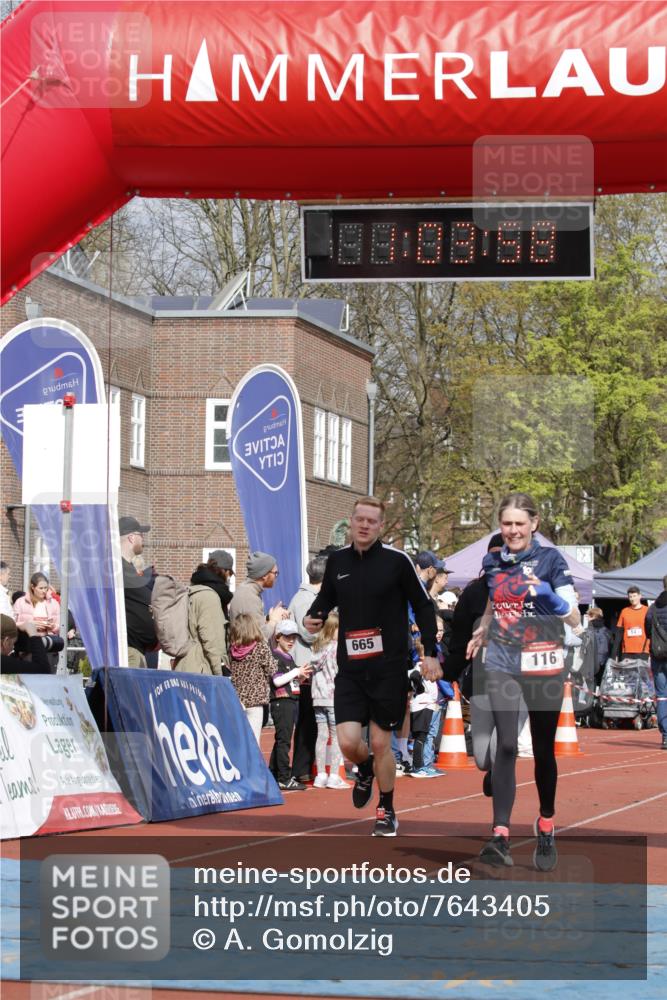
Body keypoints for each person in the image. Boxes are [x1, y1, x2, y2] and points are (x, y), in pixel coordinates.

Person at [304, 496, 439, 837]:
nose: (364, 525)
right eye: (359, 519)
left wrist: (431, 652)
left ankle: (386, 808)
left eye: (371, 521)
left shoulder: (397, 561)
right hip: (350, 668)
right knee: (349, 742)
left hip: (388, 668)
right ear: (351, 521)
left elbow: (423, 606)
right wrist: (315, 616)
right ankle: (363, 768)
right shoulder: (337, 561)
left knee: (381, 743)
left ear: (380, 526)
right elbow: (326, 598)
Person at [467, 493, 580, 871]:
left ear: (534, 524)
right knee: (507, 745)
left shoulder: (551, 560)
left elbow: (576, 620)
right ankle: (500, 834)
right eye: (506, 524)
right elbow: (492, 604)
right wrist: (482, 629)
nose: (513, 530)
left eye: (519, 523)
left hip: (544, 661)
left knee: (544, 751)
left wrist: (554, 601)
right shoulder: (492, 561)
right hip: (501, 660)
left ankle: (546, 822)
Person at [288, 555, 329, 783]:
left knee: (311, 720)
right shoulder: (306, 599)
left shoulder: (310, 598)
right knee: (307, 720)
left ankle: (305, 766)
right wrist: (330, 630)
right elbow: (308, 631)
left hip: (309, 666)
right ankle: (300, 768)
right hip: (305, 667)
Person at [269, 619, 313, 790]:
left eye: (293, 637)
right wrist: (296, 671)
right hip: (281, 702)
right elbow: (278, 680)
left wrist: (300, 676)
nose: (291, 641)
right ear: (278, 637)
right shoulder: (275, 656)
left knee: (282, 740)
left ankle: (273, 773)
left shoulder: (288, 657)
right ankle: (284, 778)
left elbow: (290, 680)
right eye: (287, 637)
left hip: (290, 701)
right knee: (284, 741)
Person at [177, 552, 232, 675]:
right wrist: (221, 674)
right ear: (223, 571)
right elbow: (212, 641)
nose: (230, 577)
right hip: (201, 669)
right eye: (230, 573)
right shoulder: (209, 597)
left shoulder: (193, 590)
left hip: (186, 666)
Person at [310, 612, 349, 788]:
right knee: (337, 736)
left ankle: (320, 775)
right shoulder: (337, 648)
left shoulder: (317, 647)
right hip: (334, 696)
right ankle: (333, 775)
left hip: (318, 697)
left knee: (321, 735)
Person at [228, 613, 276, 745]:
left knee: (241, 739)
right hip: (256, 700)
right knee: (254, 740)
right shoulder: (260, 646)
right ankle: (254, 766)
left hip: (238, 699)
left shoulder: (233, 649)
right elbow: (272, 669)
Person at [119, 515, 157, 667]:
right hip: (128, 652)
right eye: (141, 535)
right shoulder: (117, 569)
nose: (143, 540)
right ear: (131, 538)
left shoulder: (128, 569)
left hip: (137, 650)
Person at [229, 551, 287, 640]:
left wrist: (268, 617)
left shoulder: (247, 590)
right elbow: (260, 636)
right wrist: (274, 620)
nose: (276, 576)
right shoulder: (249, 596)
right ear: (264, 575)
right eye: (275, 573)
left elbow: (250, 625)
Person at [13, 573, 60, 668]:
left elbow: (60, 625)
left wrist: (52, 626)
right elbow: (13, 623)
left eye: (46, 588)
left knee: (47, 678)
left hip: (48, 647)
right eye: (41, 588)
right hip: (27, 647)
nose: (44, 591)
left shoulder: (54, 603)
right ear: (32, 587)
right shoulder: (20, 602)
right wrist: (28, 625)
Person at [646, 575, 667, 749]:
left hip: (658, 655)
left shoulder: (653, 607)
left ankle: (666, 735)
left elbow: (647, 629)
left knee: (661, 696)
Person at [614, 586, 649, 661]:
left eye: (634, 596)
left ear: (640, 596)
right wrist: (614, 653)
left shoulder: (647, 611)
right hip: (627, 651)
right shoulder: (624, 611)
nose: (632, 599)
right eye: (630, 597)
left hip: (643, 650)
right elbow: (619, 633)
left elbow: (652, 631)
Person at [587, 607, 612, 684]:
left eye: (588, 616)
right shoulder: (605, 630)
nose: (587, 618)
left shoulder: (598, 630)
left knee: (595, 683)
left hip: (596, 662)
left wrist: (597, 663)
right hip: (598, 661)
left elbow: (603, 648)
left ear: (593, 616)